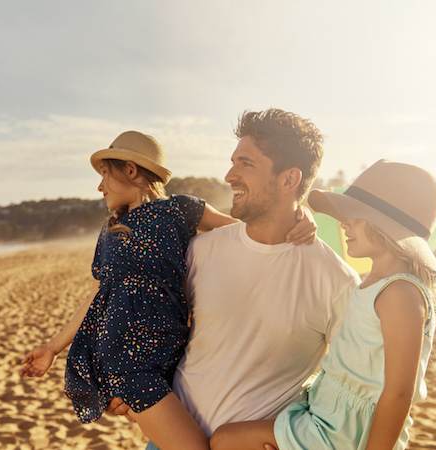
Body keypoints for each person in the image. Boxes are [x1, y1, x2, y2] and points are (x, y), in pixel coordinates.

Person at [19, 130, 316, 450]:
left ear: (131, 170)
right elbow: (94, 299)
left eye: (105, 174)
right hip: (128, 364)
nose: (99, 186)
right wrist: (51, 348)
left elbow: (245, 230)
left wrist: (300, 214)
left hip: (164, 362)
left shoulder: (179, 211)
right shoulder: (109, 233)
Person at [110, 109, 361, 450]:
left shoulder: (337, 282)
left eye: (246, 164)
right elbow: (158, 330)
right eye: (233, 162)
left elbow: (348, 394)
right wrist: (133, 390)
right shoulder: (199, 251)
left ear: (289, 180)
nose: (229, 175)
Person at [209, 159, 436, 449]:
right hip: (327, 411)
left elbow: (399, 392)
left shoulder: (400, 292)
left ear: (386, 226)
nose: (344, 222)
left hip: (345, 430)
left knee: (224, 441)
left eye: (355, 215)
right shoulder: (373, 282)